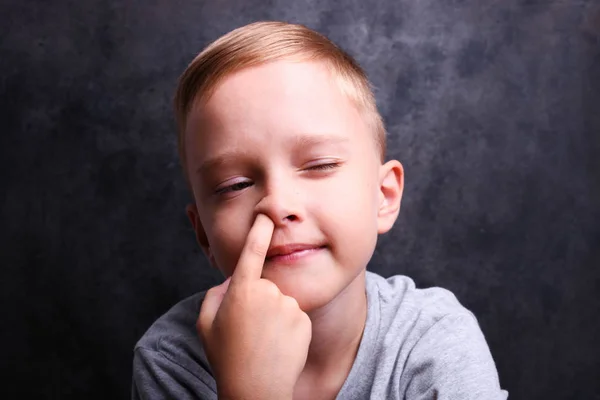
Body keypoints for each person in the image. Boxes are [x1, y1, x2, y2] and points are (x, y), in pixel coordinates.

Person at [131, 20, 508, 400]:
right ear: (203, 237)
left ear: (384, 195)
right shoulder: (172, 361)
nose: (278, 204)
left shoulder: (434, 342)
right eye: (235, 185)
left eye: (319, 165)